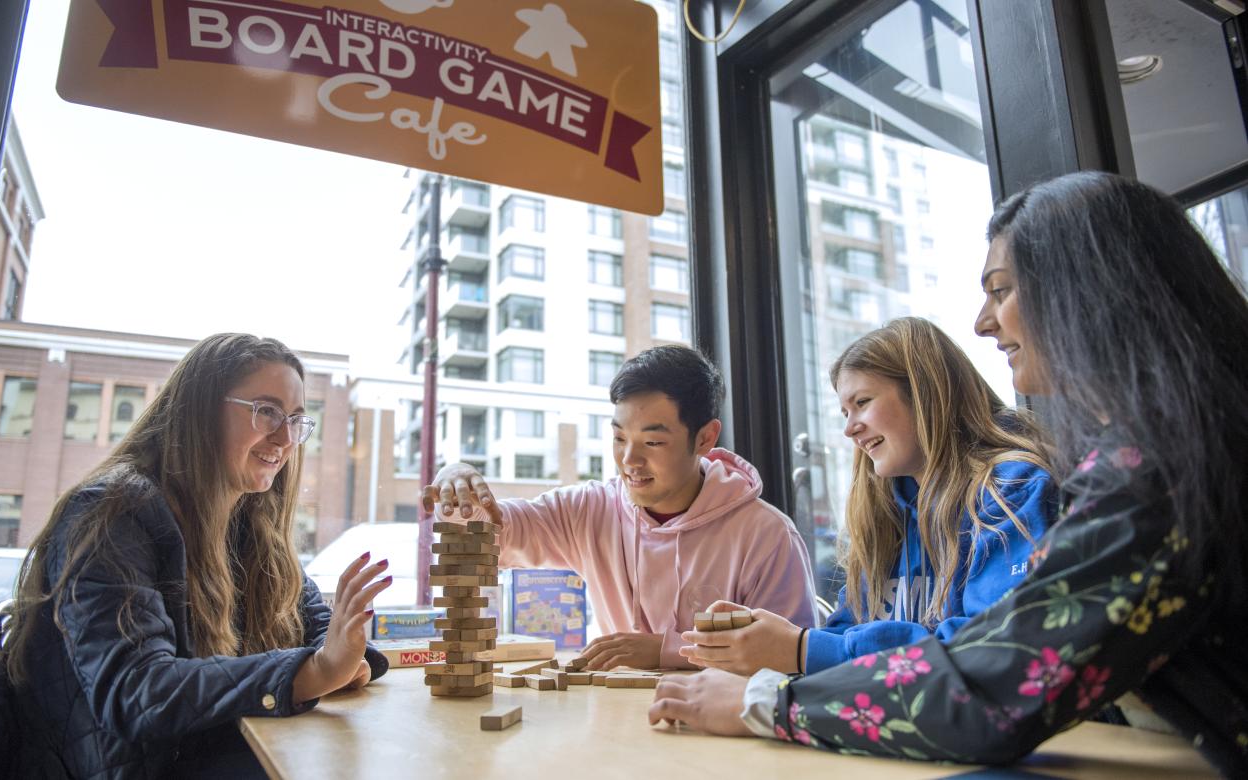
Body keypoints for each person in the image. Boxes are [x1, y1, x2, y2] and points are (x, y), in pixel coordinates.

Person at [647, 172, 1248, 777]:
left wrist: (771, 696)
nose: (985, 322)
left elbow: (1000, 675)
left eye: (1001, 290)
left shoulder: (1145, 468)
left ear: (1087, 290)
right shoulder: (1185, 440)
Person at [0, 334, 391, 779]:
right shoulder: (111, 514)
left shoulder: (247, 523)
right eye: (267, 411)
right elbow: (137, 692)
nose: (285, 438)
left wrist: (349, 662)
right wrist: (318, 670)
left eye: (295, 419)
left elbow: (318, 631)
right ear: (201, 413)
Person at [678, 317, 1056, 677]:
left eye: (862, 403)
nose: (849, 429)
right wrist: (766, 641)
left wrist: (802, 649)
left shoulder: (1011, 490)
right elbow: (847, 629)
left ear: (924, 394)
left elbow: (993, 649)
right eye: (844, 411)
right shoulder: (884, 514)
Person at [421, 344, 818, 670]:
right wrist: (459, 488)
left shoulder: (767, 535)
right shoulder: (592, 509)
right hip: (614, 730)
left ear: (704, 438)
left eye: (653, 442)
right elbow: (498, 533)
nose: (630, 460)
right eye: (618, 438)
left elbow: (791, 661)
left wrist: (665, 649)